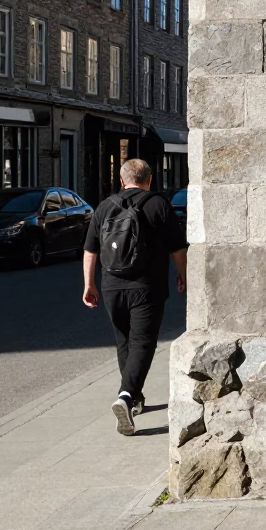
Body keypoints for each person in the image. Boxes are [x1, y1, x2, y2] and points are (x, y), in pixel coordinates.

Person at [82, 158, 187, 436]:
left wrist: (88, 284)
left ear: (121, 180)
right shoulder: (158, 204)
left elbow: (90, 250)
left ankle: (135, 397)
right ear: (149, 179)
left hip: (111, 286)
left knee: (124, 342)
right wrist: (182, 274)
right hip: (146, 286)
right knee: (143, 342)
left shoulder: (105, 206)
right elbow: (178, 248)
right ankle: (126, 396)